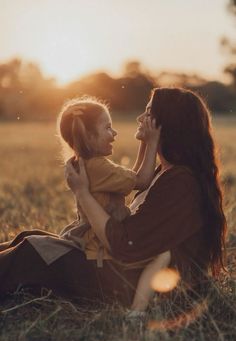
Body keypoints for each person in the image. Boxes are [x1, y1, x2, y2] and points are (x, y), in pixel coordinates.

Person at [0, 87, 226, 310]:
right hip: (120, 268)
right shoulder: (164, 172)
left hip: (127, 284)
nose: (139, 118)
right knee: (30, 236)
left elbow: (124, 245)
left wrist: (82, 192)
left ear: (165, 125)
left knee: (32, 250)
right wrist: (147, 144)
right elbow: (137, 183)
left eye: (147, 113)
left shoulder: (181, 182)